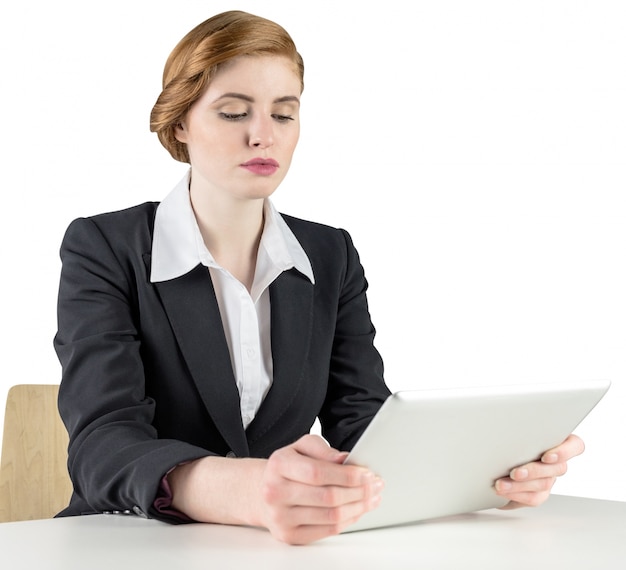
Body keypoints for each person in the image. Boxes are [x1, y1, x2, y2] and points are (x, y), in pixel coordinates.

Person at [53, 10, 585, 545]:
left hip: (280, 549)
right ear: (181, 124)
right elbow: (103, 446)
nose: (263, 135)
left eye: (284, 115)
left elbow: (361, 423)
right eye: (235, 112)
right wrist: (251, 489)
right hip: (128, 543)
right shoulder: (105, 247)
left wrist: (488, 476)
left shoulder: (330, 253)